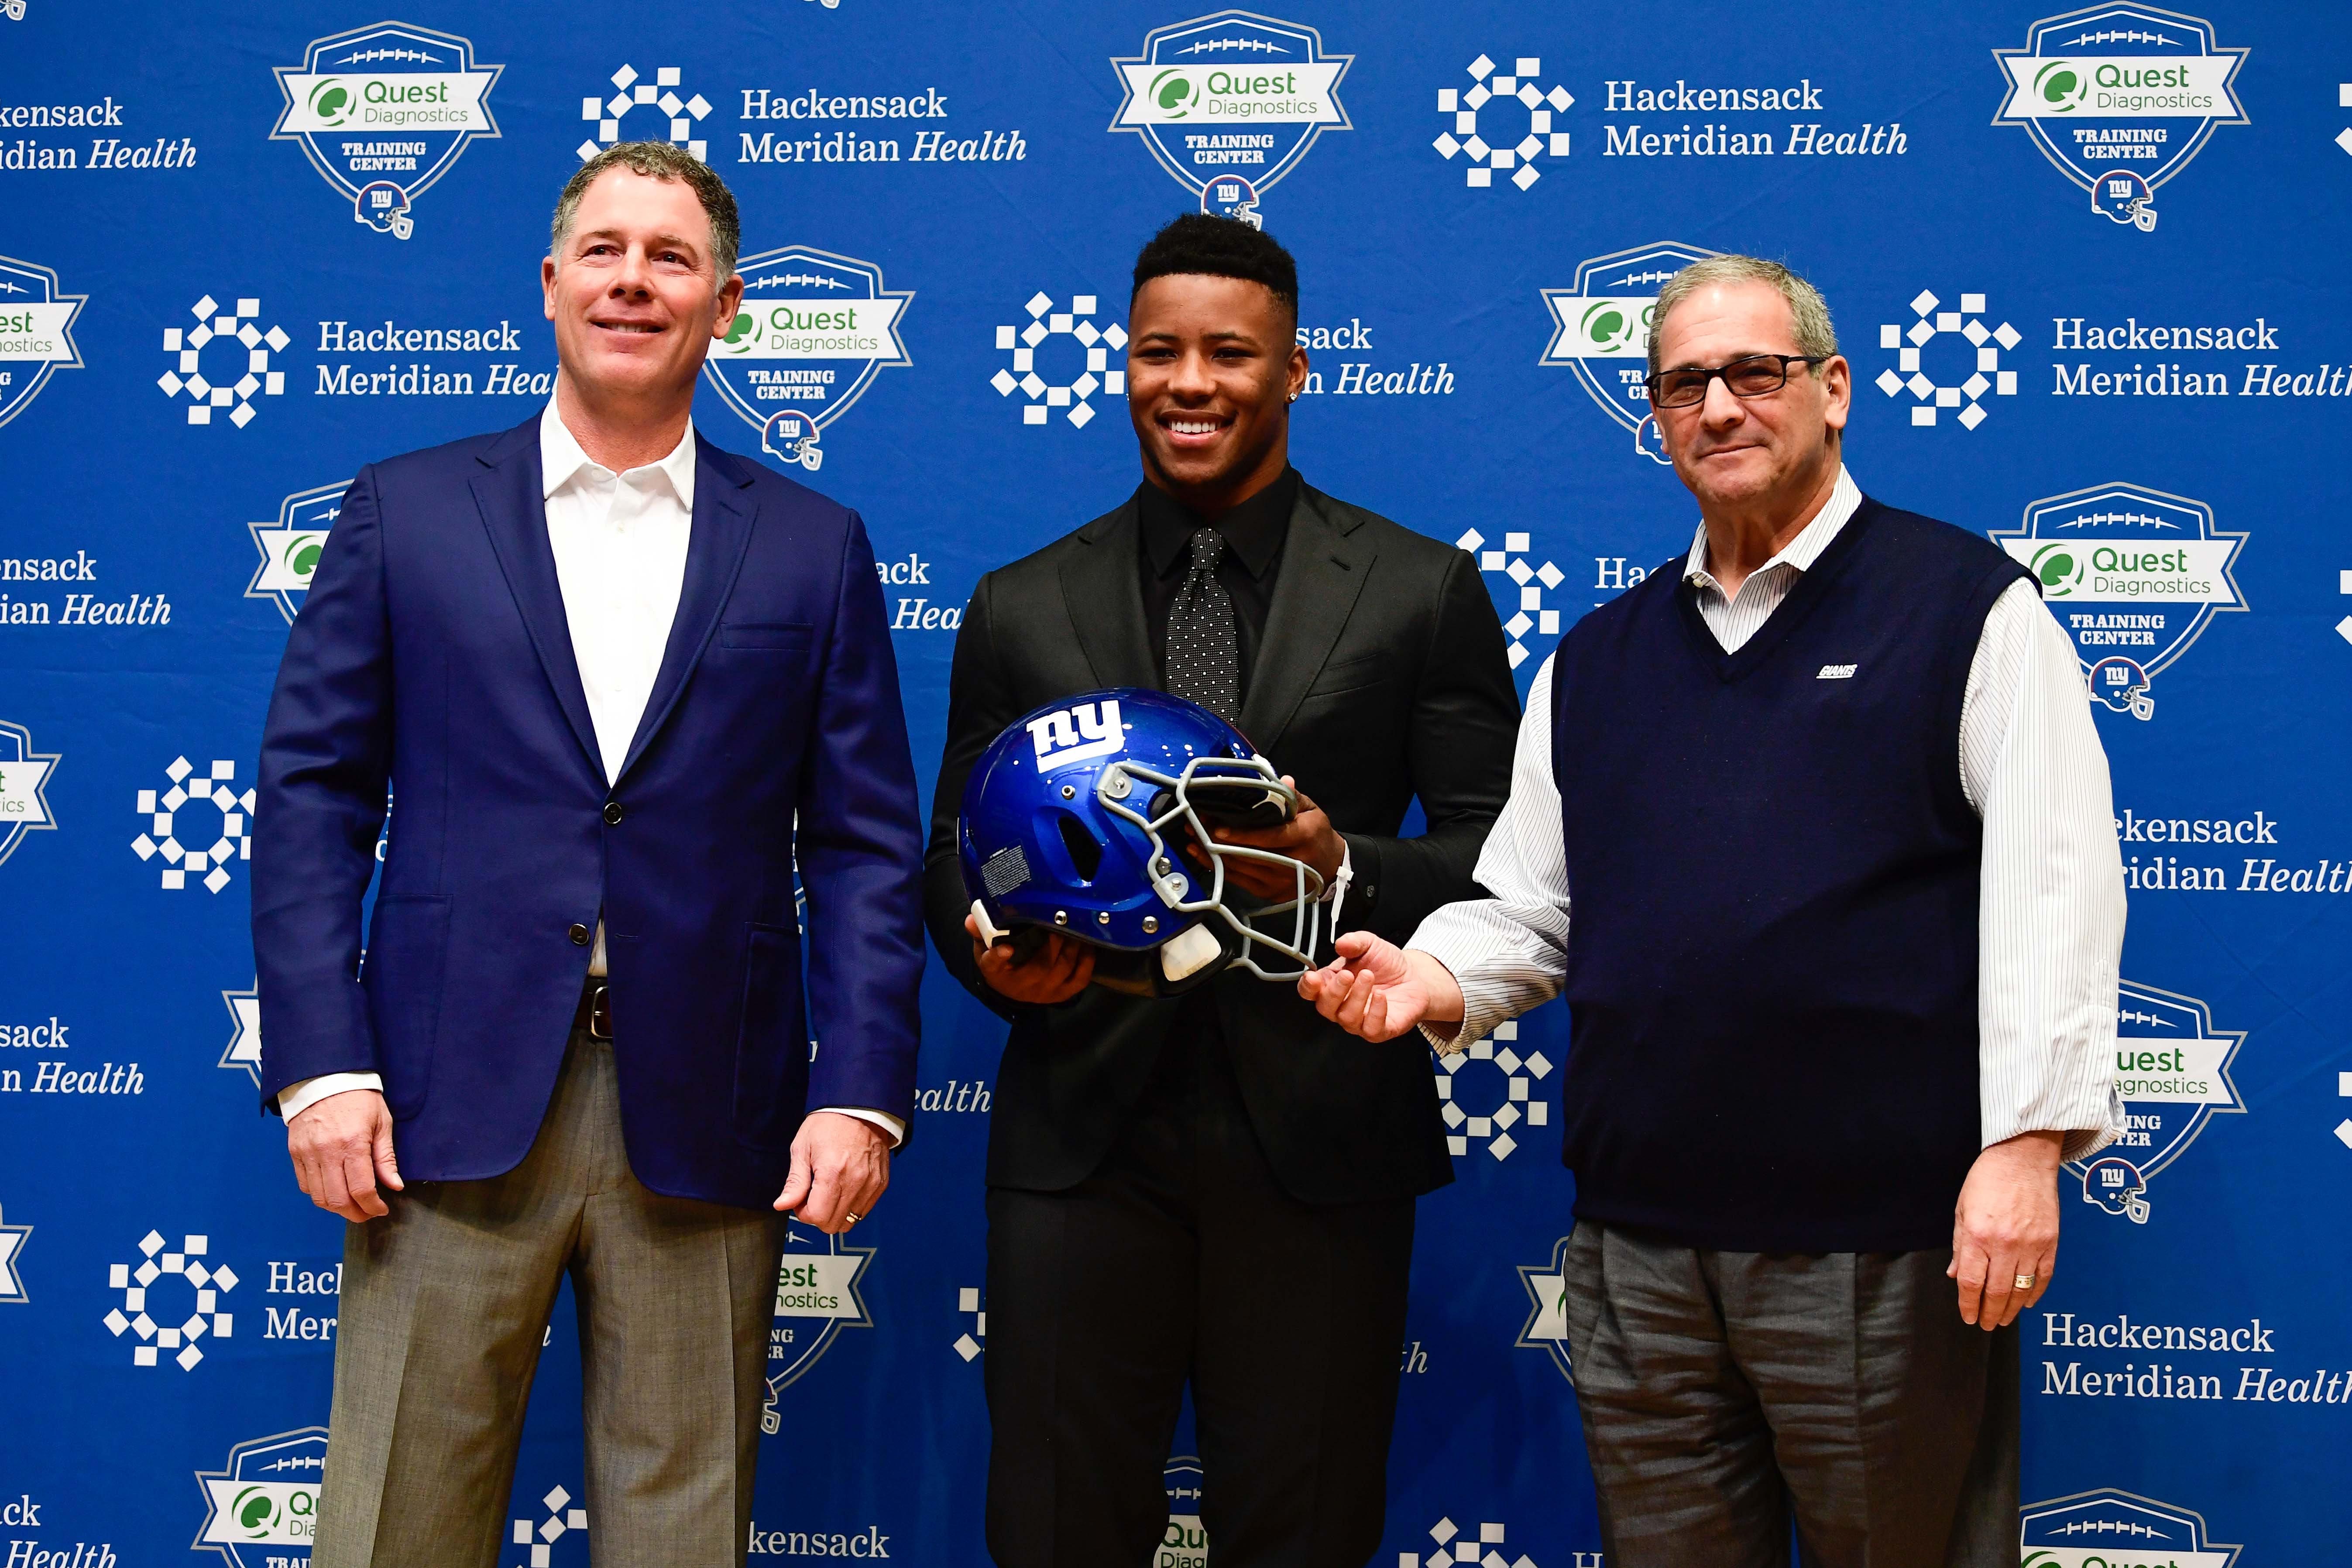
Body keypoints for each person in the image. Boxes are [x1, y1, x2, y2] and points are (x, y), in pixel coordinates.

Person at [1298, 254, 2125, 1567]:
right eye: (1686, 384)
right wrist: (1426, 979)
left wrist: (2026, 1146)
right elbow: (1528, 908)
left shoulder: (1969, 609)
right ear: (1657, 417)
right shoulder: (1598, 662)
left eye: (1758, 372)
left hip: (1881, 1249)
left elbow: (2055, 884)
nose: (1723, 406)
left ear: (1834, 389)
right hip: (1638, 1257)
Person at [252, 142, 924, 1568]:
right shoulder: (405, 511)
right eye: (605, 251)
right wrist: (322, 1064)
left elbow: (865, 845)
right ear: (550, 285)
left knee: (682, 1539)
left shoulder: (813, 546)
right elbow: (314, 795)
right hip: (441, 1106)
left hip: (711, 1110)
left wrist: (859, 1089)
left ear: (727, 304)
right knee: (394, 1530)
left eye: (671, 257)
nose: (634, 280)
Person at [924, 214, 1520, 1568]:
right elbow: (953, 853)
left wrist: (1340, 863)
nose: (1188, 381)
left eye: (1229, 353)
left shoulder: (1421, 588)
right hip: (1081, 1139)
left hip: (1317, 1130)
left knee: (1301, 1531)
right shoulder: (1021, 602)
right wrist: (987, 950)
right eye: (1157, 351)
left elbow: (1499, 857)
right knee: (1057, 1527)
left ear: (1296, 369)